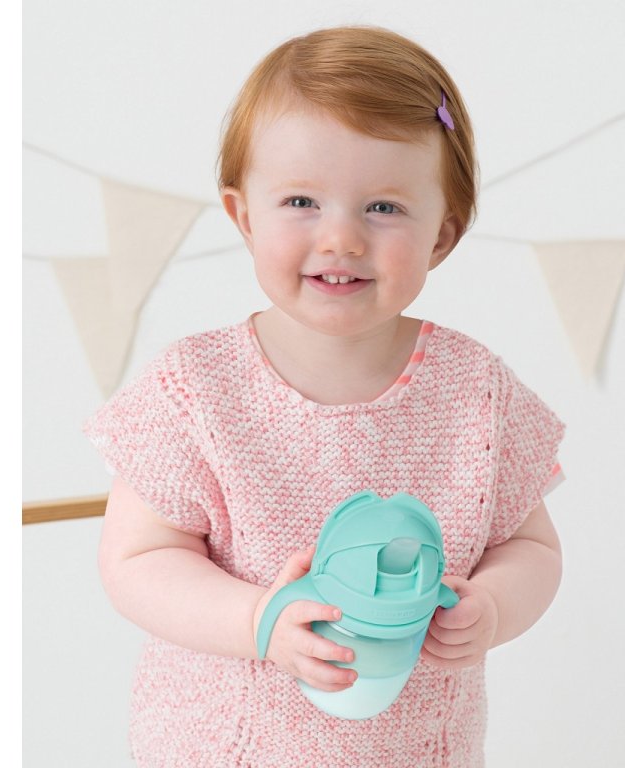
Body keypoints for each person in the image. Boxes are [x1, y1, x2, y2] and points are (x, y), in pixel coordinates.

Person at [85, 25, 566, 767]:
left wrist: (496, 604)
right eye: (302, 200)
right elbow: (138, 560)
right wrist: (257, 619)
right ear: (246, 216)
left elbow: (530, 546)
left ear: (443, 234)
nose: (341, 237)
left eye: (383, 208)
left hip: (418, 751)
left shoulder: (476, 395)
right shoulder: (195, 391)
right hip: (222, 750)